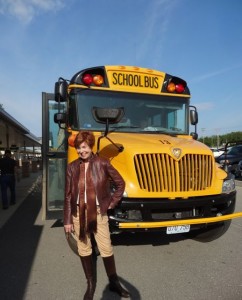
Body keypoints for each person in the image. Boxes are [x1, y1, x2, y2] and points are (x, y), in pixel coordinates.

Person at [64, 131, 130, 300]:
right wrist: (67, 220)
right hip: (79, 214)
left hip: (99, 213)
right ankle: (90, 284)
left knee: (106, 248)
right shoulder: (71, 167)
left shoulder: (102, 163)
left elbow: (120, 184)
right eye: (78, 148)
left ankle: (114, 282)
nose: (81, 151)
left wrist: (110, 203)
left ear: (90, 146)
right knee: (83, 248)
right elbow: (68, 195)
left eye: (84, 147)